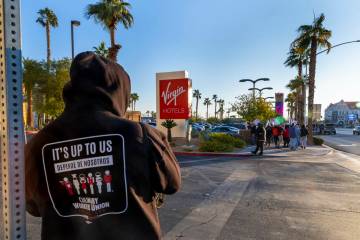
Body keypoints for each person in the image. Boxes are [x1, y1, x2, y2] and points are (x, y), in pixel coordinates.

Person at [25, 52, 181, 240]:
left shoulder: (40, 142)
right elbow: (172, 183)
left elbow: (33, 206)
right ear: (119, 91)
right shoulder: (140, 134)